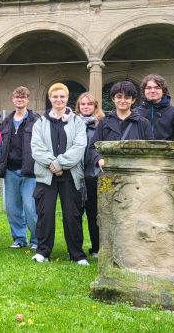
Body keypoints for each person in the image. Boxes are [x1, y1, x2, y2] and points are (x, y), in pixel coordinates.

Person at [30, 83, 88, 265]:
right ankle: (43, 251)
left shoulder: (77, 122)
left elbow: (79, 146)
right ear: (50, 98)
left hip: (70, 175)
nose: (58, 99)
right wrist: (52, 164)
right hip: (46, 175)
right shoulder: (40, 122)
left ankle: (77, 254)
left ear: (67, 98)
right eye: (55, 96)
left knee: (72, 215)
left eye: (62, 96)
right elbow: (36, 148)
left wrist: (59, 163)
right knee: (45, 213)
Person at [0, 86, 40, 250]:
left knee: (30, 207)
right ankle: (19, 239)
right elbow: (1, 144)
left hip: (29, 171)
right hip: (10, 170)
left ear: (27, 100)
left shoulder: (36, 120)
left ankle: (36, 240)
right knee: (12, 208)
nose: (20, 99)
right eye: (17, 97)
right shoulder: (7, 121)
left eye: (23, 97)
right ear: (13, 99)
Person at [90, 81, 153, 169]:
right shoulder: (104, 122)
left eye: (127, 97)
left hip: (136, 171)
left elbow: (151, 149)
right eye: (119, 97)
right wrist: (99, 160)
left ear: (133, 100)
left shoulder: (143, 123)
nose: (122, 101)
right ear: (113, 99)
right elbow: (93, 147)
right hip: (110, 170)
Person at [75, 92, 105, 257]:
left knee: (94, 214)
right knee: (75, 214)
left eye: (89, 104)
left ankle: (96, 248)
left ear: (95, 106)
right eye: (83, 104)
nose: (86, 107)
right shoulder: (72, 123)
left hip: (94, 175)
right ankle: (76, 248)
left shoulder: (102, 124)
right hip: (75, 175)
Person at [135, 74, 174, 142]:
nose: (152, 91)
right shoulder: (136, 113)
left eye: (157, 87)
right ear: (144, 91)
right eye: (149, 88)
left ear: (163, 91)